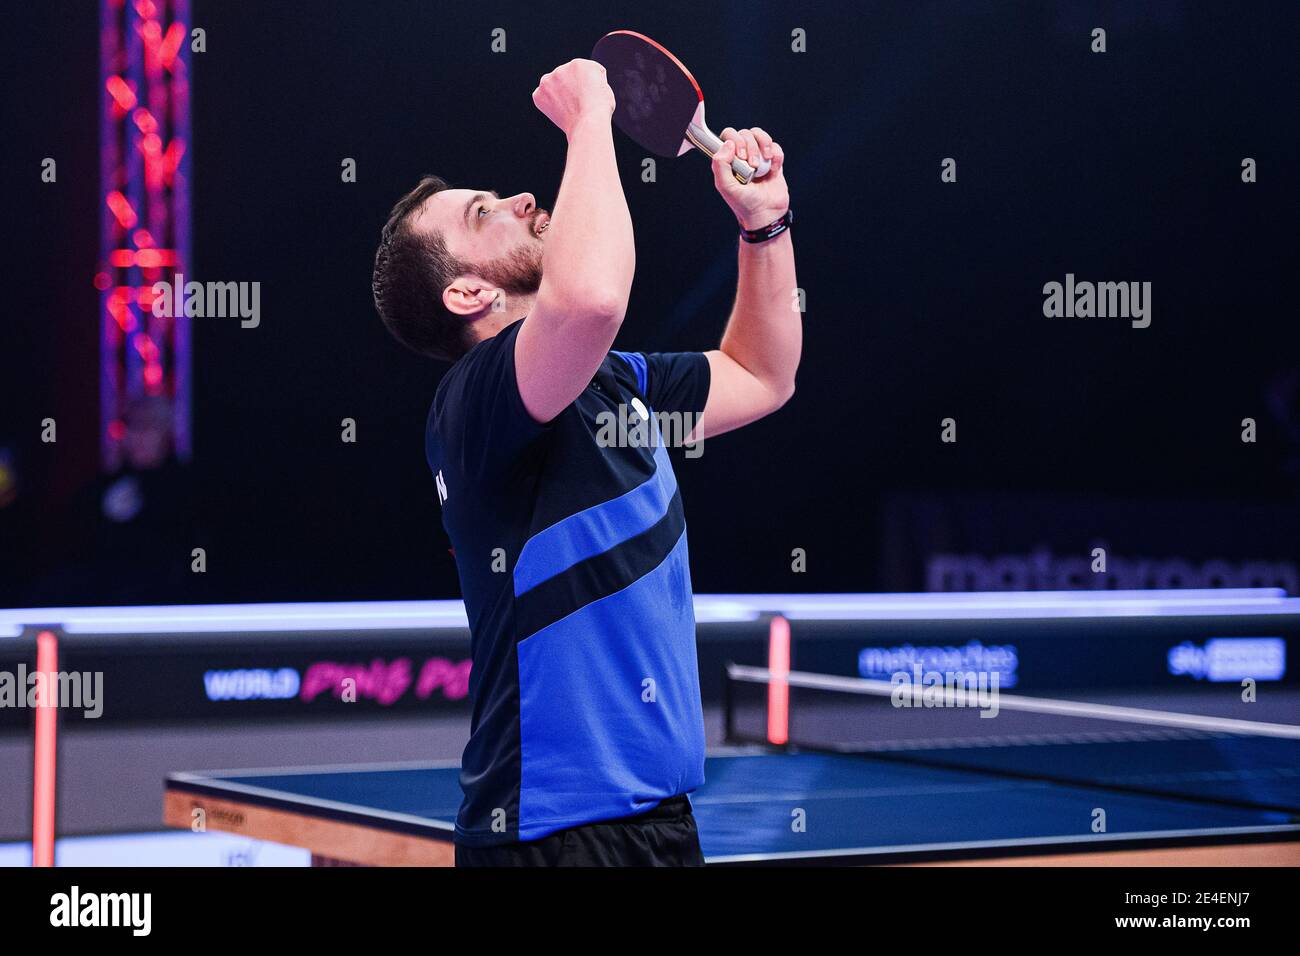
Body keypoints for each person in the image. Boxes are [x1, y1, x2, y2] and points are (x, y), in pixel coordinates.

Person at [371, 58, 800, 865]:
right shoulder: (474, 406)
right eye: (485, 212)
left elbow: (762, 375)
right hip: (549, 835)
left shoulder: (615, 383)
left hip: (659, 823)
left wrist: (764, 226)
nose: (522, 199)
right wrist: (589, 117)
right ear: (468, 296)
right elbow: (593, 298)